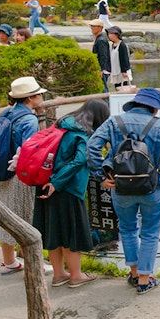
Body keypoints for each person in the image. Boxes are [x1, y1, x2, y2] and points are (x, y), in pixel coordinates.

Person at [87, 88, 160, 295]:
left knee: (127, 229)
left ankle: (135, 274)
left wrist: (100, 175)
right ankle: (145, 280)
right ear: (154, 108)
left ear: (135, 103)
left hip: (120, 187)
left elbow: (92, 146)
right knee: (150, 232)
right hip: (154, 187)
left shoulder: (114, 122)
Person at [32, 98, 110, 288]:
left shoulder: (62, 126)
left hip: (45, 182)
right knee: (70, 233)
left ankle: (59, 274)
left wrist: (51, 182)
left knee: (53, 231)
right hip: (66, 188)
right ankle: (76, 276)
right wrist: (57, 183)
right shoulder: (83, 134)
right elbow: (79, 160)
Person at [0, 76, 46, 275]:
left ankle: (9, 261)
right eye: (38, 94)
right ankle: (35, 264)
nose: (41, 96)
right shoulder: (29, 119)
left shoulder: (7, 113)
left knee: (6, 215)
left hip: (2, 172)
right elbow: (29, 149)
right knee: (27, 217)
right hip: (20, 174)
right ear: (30, 98)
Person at [89, 19, 110, 92]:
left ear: (100, 28)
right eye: (91, 26)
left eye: (94, 26)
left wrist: (101, 70)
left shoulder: (101, 40)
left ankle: (107, 103)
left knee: (103, 89)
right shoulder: (99, 38)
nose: (92, 28)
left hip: (102, 69)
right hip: (100, 68)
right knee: (101, 88)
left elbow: (103, 56)